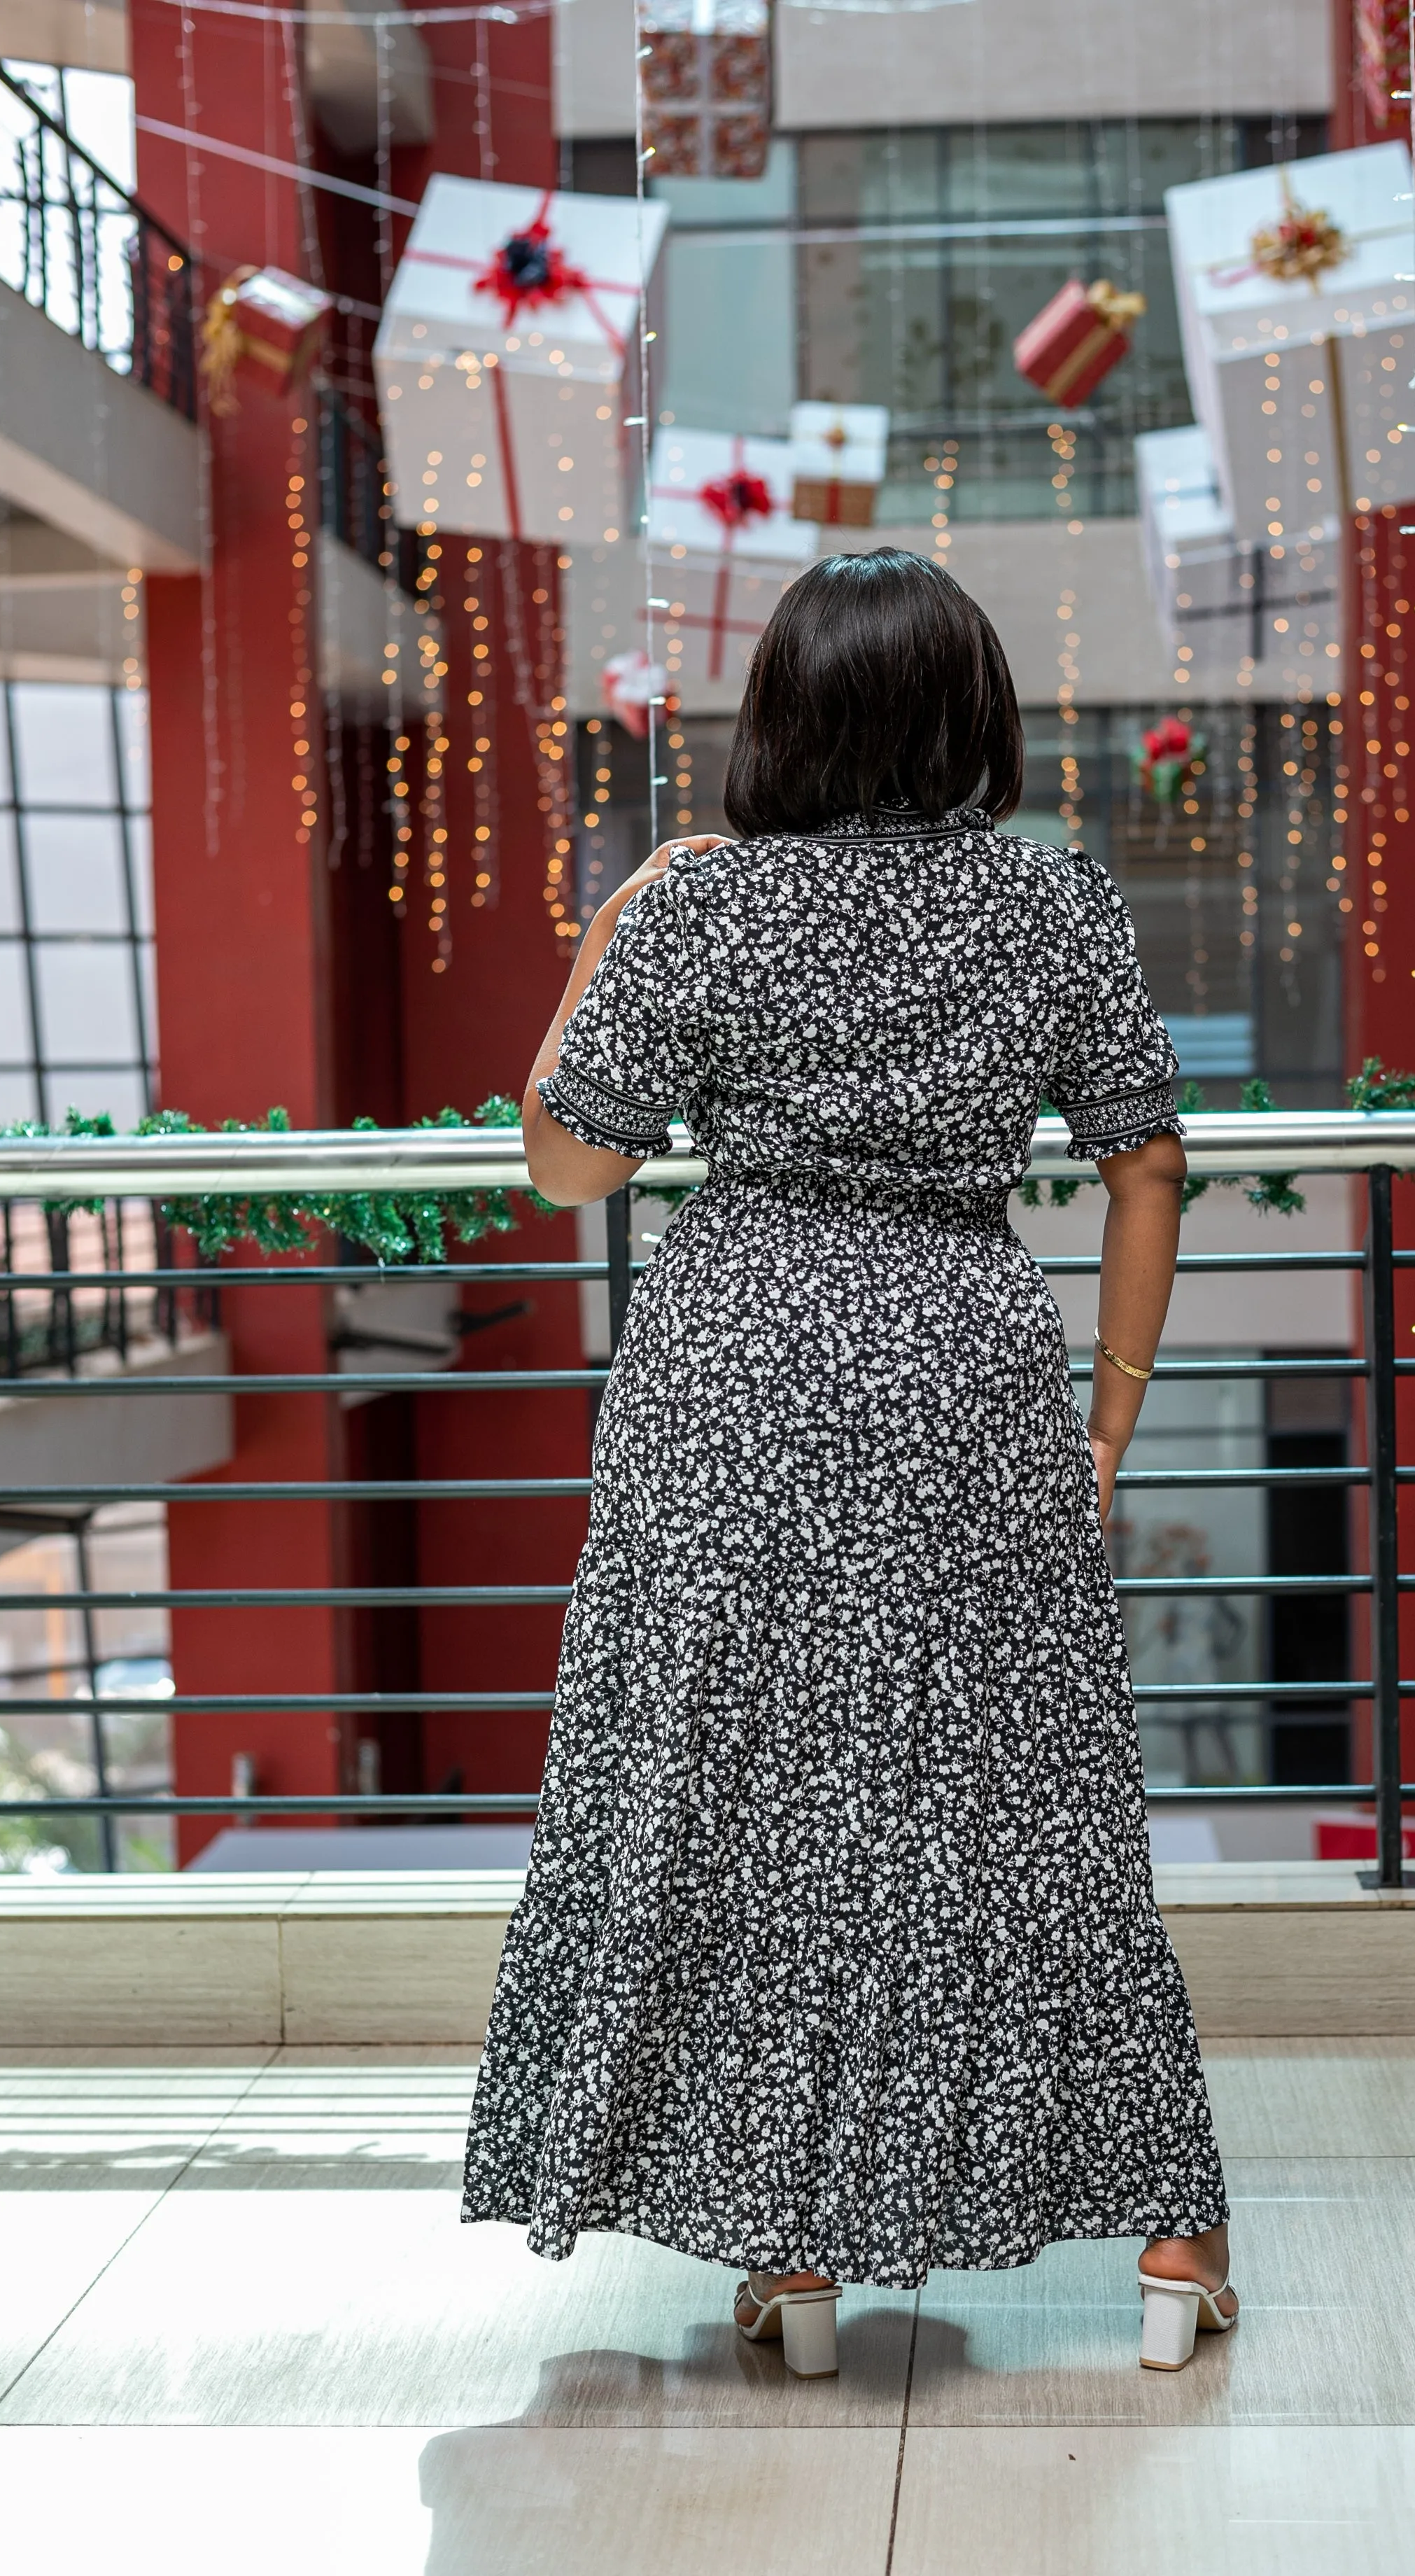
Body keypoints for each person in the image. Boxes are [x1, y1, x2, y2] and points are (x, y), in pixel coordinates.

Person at [461, 547, 1234, 2379]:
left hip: (734, 1387)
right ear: (972, 712)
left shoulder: (700, 909)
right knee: (1036, 1809)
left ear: (782, 721)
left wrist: (624, 913)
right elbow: (1147, 1163)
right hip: (967, 1382)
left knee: (744, 1804)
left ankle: (790, 2259)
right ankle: (1175, 2243)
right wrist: (1107, 1416)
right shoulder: (1052, 908)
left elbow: (564, 1166)